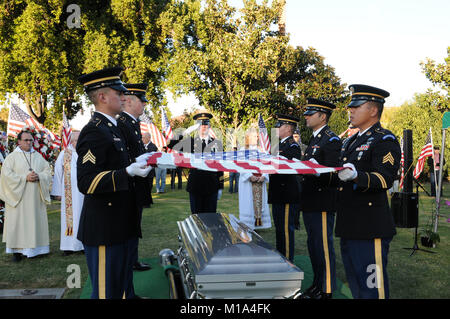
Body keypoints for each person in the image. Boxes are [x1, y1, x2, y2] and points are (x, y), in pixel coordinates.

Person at [76, 67, 152, 299]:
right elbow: (86, 182)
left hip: (121, 220)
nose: (123, 97)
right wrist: (126, 172)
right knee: (105, 291)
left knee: (120, 285)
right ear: (102, 97)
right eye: (118, 92)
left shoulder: (115, 128)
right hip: (104, 226)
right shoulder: (94, 132)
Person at [335, 84, 401, 299]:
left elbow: (385, 178)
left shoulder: (385, 139)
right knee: (356, 282)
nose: (350, 110)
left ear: (373, 110)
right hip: (350, 223)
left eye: (357, 106)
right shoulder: (351, 141)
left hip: (370, 225)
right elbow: (340, 173)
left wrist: (357, 176)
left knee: (373, 287)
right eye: (350, 106)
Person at [300, 98, 342, 299]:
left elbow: (335, 175)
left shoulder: (331, 140)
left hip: (323, 202)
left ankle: (326, 290)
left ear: (322, 116)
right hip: (310, 202)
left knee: (324, 247)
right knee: (314, 246)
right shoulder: (316, 140)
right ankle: (317, 284)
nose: (306, 116)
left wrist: (318, 172)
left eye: (311, 113)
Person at [118, 82, 154, 278]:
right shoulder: (123, 123)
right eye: (142, 101)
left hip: (136, 184)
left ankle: (132, 259)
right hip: (129, 184)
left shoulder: (132, 123)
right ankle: (129, 260)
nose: (144, 105)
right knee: (130, 224)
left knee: (135, 224)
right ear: (129, 101)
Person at [0, 130, 52, 261]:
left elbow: (47, 171)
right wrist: (25, 178)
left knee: (34, 222)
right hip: (19, 198)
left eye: (30, 140)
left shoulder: (38, 156)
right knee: (18, 223)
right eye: (26, 140)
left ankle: (36, 250)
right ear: (19, 141)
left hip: (35, 199)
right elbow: (6, 176)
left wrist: (39, 176)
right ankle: (17, 252)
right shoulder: (11, 158)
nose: (29, 142)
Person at [168, 111, 224, 214]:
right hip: (195, 186)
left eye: (206, 124)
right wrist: (185, 132)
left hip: (212, 186)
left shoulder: (217, 144)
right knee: (197, 218)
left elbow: (220, 167)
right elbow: (170, 144)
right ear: (197, 127)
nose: (203, 127)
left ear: (209, 126)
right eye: (200, 124)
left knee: (210, 217)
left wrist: (220, 186)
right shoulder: (190, 142)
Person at [268, 114, 302, 262]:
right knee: (279, 230)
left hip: (287, 194)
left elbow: (290, 170)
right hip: (277, 193)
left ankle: (288, 262)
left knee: (286, 231)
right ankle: (280, 257)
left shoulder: (292, 146)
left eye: (279, 126)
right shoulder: (278, 145)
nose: (276, 128)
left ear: (288, 128)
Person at [51, 130, 84, 255]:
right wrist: (57, 192)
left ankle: (82, 245)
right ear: (71, 141)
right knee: (69, 219)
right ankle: (68, 246)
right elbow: (58, 173)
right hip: (68, 193)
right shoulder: (64, 154)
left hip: (83, 193)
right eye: (75, 140)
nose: (77, 142)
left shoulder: (86, 152)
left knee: (83, 216)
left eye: (79, 140)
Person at [238, 128, 271, 230]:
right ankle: (248, 223)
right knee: (248, 203)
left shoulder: (261, 150)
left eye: (256, 136)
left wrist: (264, 175)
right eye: (253, 136)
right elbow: (240, 165)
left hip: (259, 181)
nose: (255, 138)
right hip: (248, 182)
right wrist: (249, 175)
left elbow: (267, 164)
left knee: (260, 203)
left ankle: (258, 223)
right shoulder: (243, 150)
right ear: (248, 137)